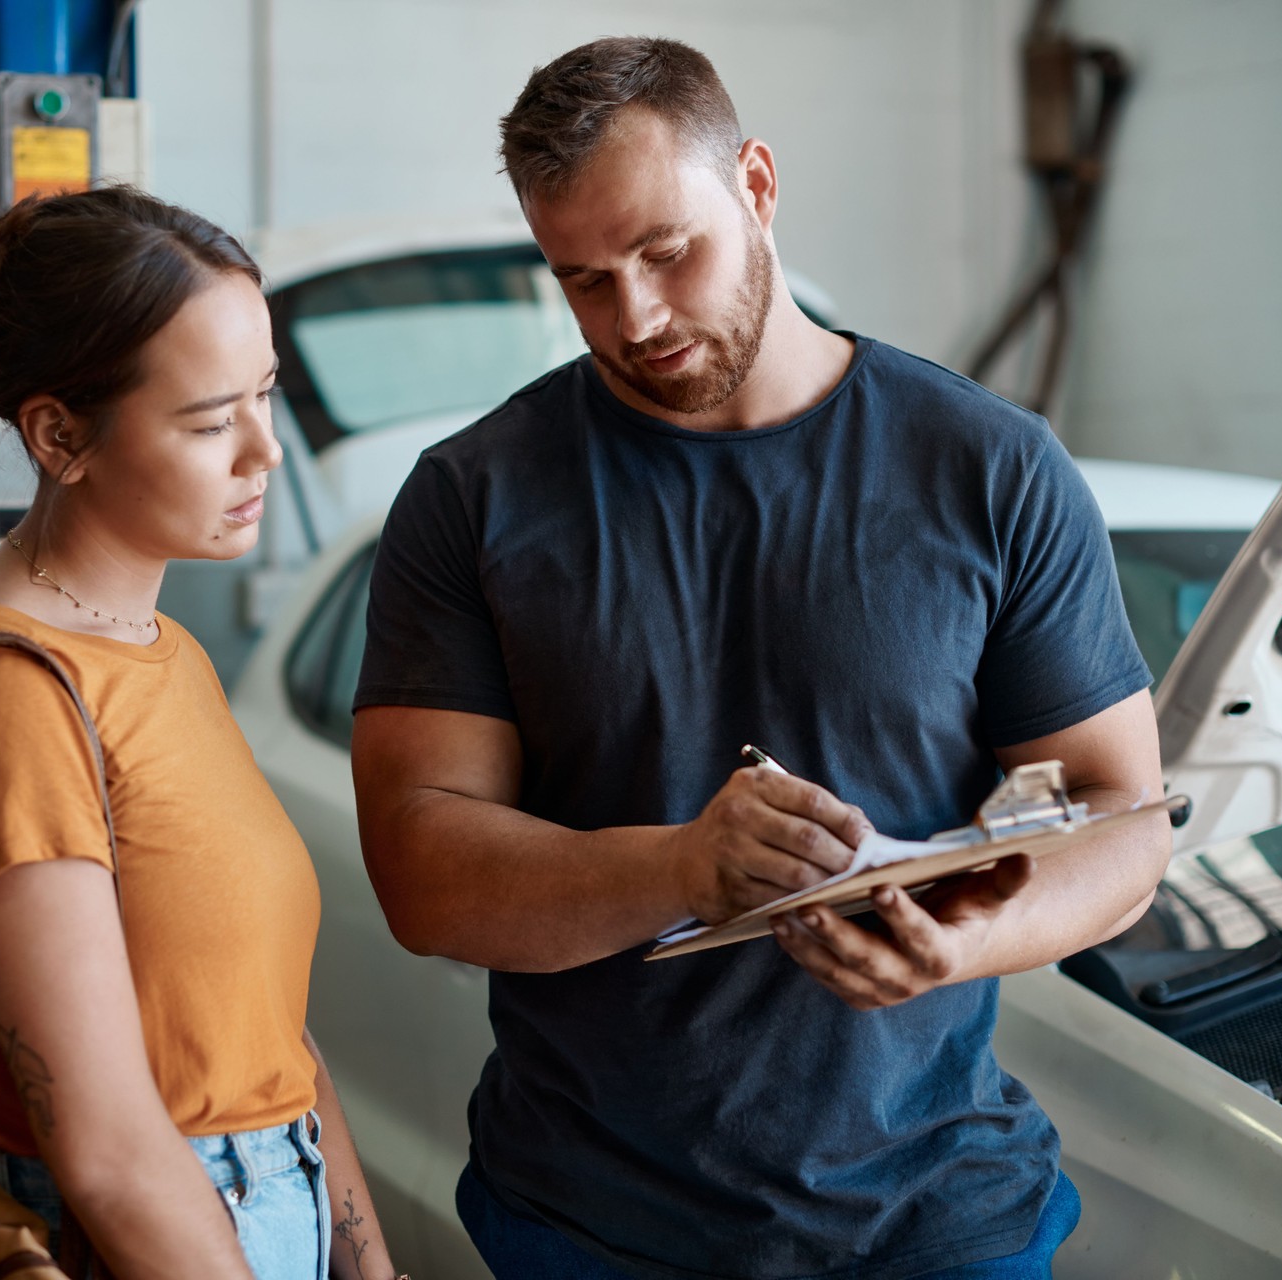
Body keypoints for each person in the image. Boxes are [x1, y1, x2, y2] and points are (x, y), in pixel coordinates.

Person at [350, 37, 1171, 1280]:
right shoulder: (474, 497)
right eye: (582, 280)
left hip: (937, 1220)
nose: (635, 317)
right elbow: (422, 869)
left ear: (759, 184)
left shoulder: (988, 465)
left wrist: (959, 945)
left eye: (667, 251)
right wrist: (682, 863)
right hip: (589, 1227)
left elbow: (1122, 815)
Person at [0, 188, 404, 1280]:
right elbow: (106, 1152)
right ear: (59, 435)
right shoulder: (11, 696)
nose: (266, 451)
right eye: (211, 422)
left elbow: (271, 1040)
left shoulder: (161, 649)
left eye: (266, 396)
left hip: (264, 1201)